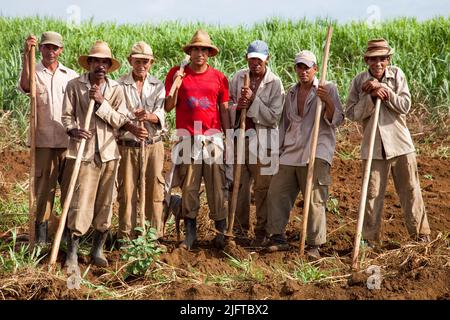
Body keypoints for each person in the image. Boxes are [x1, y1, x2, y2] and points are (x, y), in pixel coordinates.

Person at [62, 41, 147, 267]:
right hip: (84, 153)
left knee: (105, 203)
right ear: (89, 63)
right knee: (80, 202)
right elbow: (67, 116)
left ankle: (97, 249)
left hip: (109, 153)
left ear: (109, 66)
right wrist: (72, 130)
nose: (100, 66)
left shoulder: (115, 89)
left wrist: (101, 104)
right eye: (96, 61)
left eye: (104, 62)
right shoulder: (74, 86)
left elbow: (119, 121)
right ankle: (72, 252)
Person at [345, 39, 431, 247]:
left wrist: (384, 89)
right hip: (373, 147)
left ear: (388, 59)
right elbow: (351, 113)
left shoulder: (397, 75)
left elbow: (405, 105)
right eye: (373, 59)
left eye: (382, 58)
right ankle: (368, 240)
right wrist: (370, 97)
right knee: (372, 194)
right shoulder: (359, 82)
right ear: (367, 60)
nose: (378, 63)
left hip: (400, 144)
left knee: (410, 190)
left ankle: (421, 235)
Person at [265, 50, 344, 258]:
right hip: (291, 150)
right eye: (299, 67)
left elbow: (336, 119)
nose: (303, 71)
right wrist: (279, 150)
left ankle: (314, 245)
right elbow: (285, 124)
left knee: (314, 197)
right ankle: (277, 236)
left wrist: (328, 101)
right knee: (276, 191)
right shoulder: (291, 93)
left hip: (316, 149)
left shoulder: (327, 88)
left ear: (315, 69)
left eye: (307, 67)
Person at [165, 30, 230, 250]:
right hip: (187, 139)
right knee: (189, 187)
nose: (199, 53)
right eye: (196, 49)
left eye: (204, 49)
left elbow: (223, 110)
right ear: (190, 52)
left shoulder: (219, 78)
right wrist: (176, 82)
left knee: (217, 187)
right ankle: (190, 234)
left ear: (209, 53)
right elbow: (168, 106)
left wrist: (229, 139)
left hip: (212, 139)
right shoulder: (177, 74)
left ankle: (221, 232)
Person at [18, 31, 78, 245]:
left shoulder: (70, 75)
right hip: (42, 142)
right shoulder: (33, 71)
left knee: (70, 190)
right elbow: (26, 86)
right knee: (43, 192)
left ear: (61, 50)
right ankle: (41, 241)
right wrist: (27, 55)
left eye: (55, 48)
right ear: (41, 48)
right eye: (46, 47)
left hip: (68, 142)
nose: (50, 51)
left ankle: (68, 237)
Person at [229, 40, 285, 245]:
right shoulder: (238, 78)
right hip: (240, 140)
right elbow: (227, 105)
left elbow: (273, 117)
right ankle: (239, 230)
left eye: (259, 60)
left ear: (267, 59)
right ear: (247, 59)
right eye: (252, 59)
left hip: (264, 143)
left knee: (263, 188)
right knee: (239, 185)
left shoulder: (275, 82)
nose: (255, 64)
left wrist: (253, 101)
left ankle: (262, 231)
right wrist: (236, 108)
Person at [117, 41, 166, 241]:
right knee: (127, 192)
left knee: (154, 190)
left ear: (151, 63)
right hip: (127, 146)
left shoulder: (157, 86)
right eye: (138, 61)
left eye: (146, 61)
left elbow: (161, 114)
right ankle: (126, 237)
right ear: (130, 61)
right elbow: (117, 113)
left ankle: (152, 237)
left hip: (153, 145)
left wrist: (149, 116)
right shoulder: (119, 85)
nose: (142, 65)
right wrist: (131, 124)